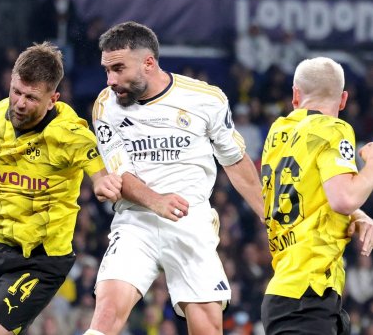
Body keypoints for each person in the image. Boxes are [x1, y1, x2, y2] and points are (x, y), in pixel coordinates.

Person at [0, 42, 122, 335]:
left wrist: (102, 182)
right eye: (16, 92)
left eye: (31, 98)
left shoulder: (70, 135)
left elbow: (99, 172)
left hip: (38, 261)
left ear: (52, 99)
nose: (19, 103)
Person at [86, 21, 264, 335]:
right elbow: (119, 173)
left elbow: (235, 163)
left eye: (118, 69)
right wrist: (156, 201)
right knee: (106, 315)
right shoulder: (105, 106)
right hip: (135, 221)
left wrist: (270, 218)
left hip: (190, 219)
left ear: (149, 63)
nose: (110, 80)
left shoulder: (206, 99)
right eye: (106, 70)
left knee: (208, 327)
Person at [260, 57, 373, 334]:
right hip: (306, 296)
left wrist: (354, 214)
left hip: (296, 292)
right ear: (343, 99)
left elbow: (306, 187)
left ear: (295, 95)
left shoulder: (278, 131)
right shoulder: (333, 129)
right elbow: (344, 198)